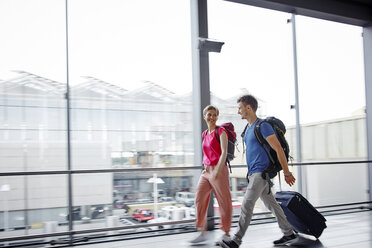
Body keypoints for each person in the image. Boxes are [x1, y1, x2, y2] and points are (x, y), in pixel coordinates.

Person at [221, 95, 298, 248]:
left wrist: (287, 172)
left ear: (248, 108)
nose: (238, 112)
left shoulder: (262, 126)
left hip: (261, 173)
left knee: (247, 204)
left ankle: (236, 240)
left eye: (240, 108)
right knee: (272, 205)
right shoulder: (248, 129)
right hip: (254, 174)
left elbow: (278, 149)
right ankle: (288, 233)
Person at [190, 105, 233, 245]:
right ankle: (202, 232)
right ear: (204, 116)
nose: (212, 117)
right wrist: (207, 169)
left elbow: (224, 153)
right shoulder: (204, 133)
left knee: (224, 202)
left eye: (215, 115)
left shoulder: (221, 132)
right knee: (199, 198)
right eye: (209, 114)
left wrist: (217, 171)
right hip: (206, 170)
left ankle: (226, 234)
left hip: (218, 170)